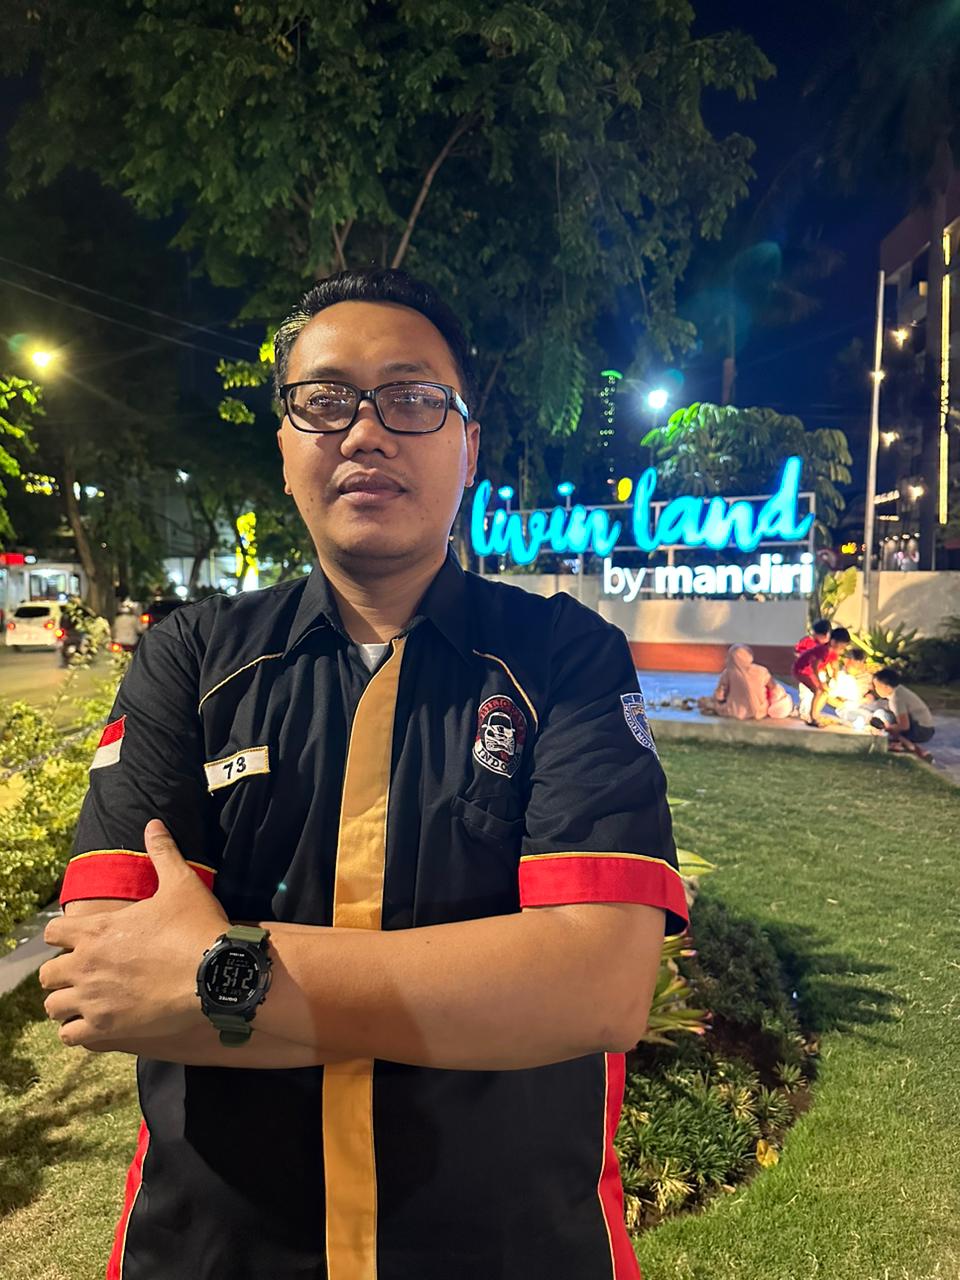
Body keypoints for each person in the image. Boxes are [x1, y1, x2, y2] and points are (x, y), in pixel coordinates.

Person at [39, 268, 686, 1280]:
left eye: (413, 397)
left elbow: (598, 986)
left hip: (507, 1255)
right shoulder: (190, 659)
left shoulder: (564, 657)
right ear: (286, 442)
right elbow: (108, 981)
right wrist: (481, 991)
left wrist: (216, 973)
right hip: (214, 1256)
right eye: (326, 398)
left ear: (468, 446)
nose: (366, 431)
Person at [698, 644, 789, 720]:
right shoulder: (761, 671)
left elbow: (719, 696)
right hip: (760, 712)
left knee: (709, 704)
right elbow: (774, 687)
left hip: (734, 711)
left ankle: (710, 706)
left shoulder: (728, 673)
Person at [792, 625, 851, 726]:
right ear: (833, 642)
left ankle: (815, 714)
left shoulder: (831, 652)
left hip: (809, 671)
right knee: (818, 691)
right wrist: (820, 683)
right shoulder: (824, 650)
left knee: (824, 692)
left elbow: (834, 666)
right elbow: (814, 666)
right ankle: (812, 717)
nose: (842, 650)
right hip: (802, 670)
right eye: (841, 647)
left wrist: (834, 678)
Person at [872, 667, 935, 759]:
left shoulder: (896, 699)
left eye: (877, 686)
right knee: (884, 715)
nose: (875, 689)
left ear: (885, 686)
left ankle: (907, 744)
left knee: (881, 715)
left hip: (921, 730)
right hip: (926, 728)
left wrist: (887, 728)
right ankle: (912, 746)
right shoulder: (899, 690)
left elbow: (904, 726)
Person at [793, 618, 831, 718]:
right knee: (807, 693)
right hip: (806, 672)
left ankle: (813, 712)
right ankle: (806, 712)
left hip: (818, 672)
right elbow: (797, 653)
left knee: (819, 693)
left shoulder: (826, 646)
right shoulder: (808, 642)